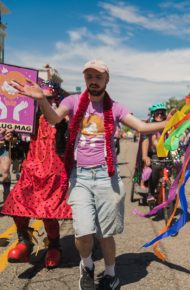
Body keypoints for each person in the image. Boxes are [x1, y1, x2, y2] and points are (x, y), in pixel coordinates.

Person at [10, 60, 172, 290]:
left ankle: (111, 273)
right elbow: (54, 119)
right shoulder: (73, 101)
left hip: (107, 178)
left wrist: (171, 122)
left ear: (107, 80)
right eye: (89, 77)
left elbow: (141, 128)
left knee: (105, 234)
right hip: (81, 178)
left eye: (98, 77)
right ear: (85, 79)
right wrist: (41, 99)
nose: (93, 81)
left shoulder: (115, 107)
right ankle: (86, 266)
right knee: (83, 232)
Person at [1, 80, 70, 269]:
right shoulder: (28, 118)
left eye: (48, 98)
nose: (43, 101)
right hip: (30, 171)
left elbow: (66, 145)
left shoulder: (62, 120)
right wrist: (12, 137)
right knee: (17, 205)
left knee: (47, 213)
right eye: (40, 97)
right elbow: (21, 145)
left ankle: (55, 246)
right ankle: (24, 241)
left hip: (53, 174)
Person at [140, 103, 168, 203]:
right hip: (154, 155)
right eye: (157, 113)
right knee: (155, 168)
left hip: (167, 154)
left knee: (178, 165)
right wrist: (144, 156)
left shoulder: (168, 126)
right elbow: (146, 141)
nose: (160, 115)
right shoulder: (150, 127)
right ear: (153, 114)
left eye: (162, 113)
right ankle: (151, 193)